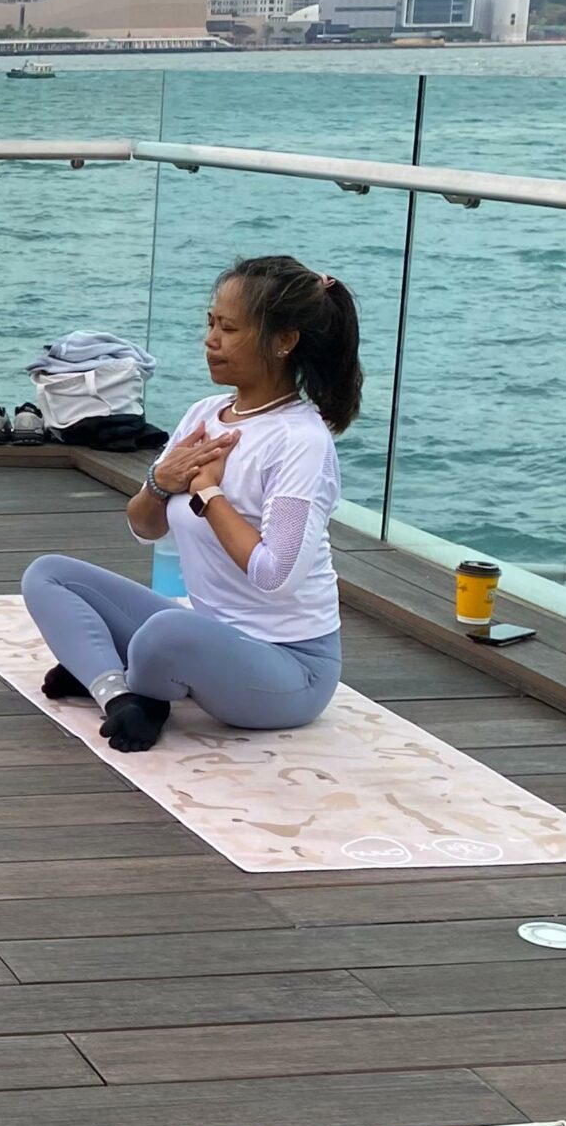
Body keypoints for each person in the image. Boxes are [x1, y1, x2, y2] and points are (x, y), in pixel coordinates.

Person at [22, 254, 361, 752]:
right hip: (208, 632)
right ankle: (120, 695)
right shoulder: (205, 414)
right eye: (210, 323)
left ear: (284, 341)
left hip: (291, 668)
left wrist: (207, 493)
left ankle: (122, 674)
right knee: (48, 575)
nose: (210, 340)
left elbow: (276, 576)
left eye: (229, 328)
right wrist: (160, 482)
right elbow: (144, 527)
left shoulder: (300, 441)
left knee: (164, 633)